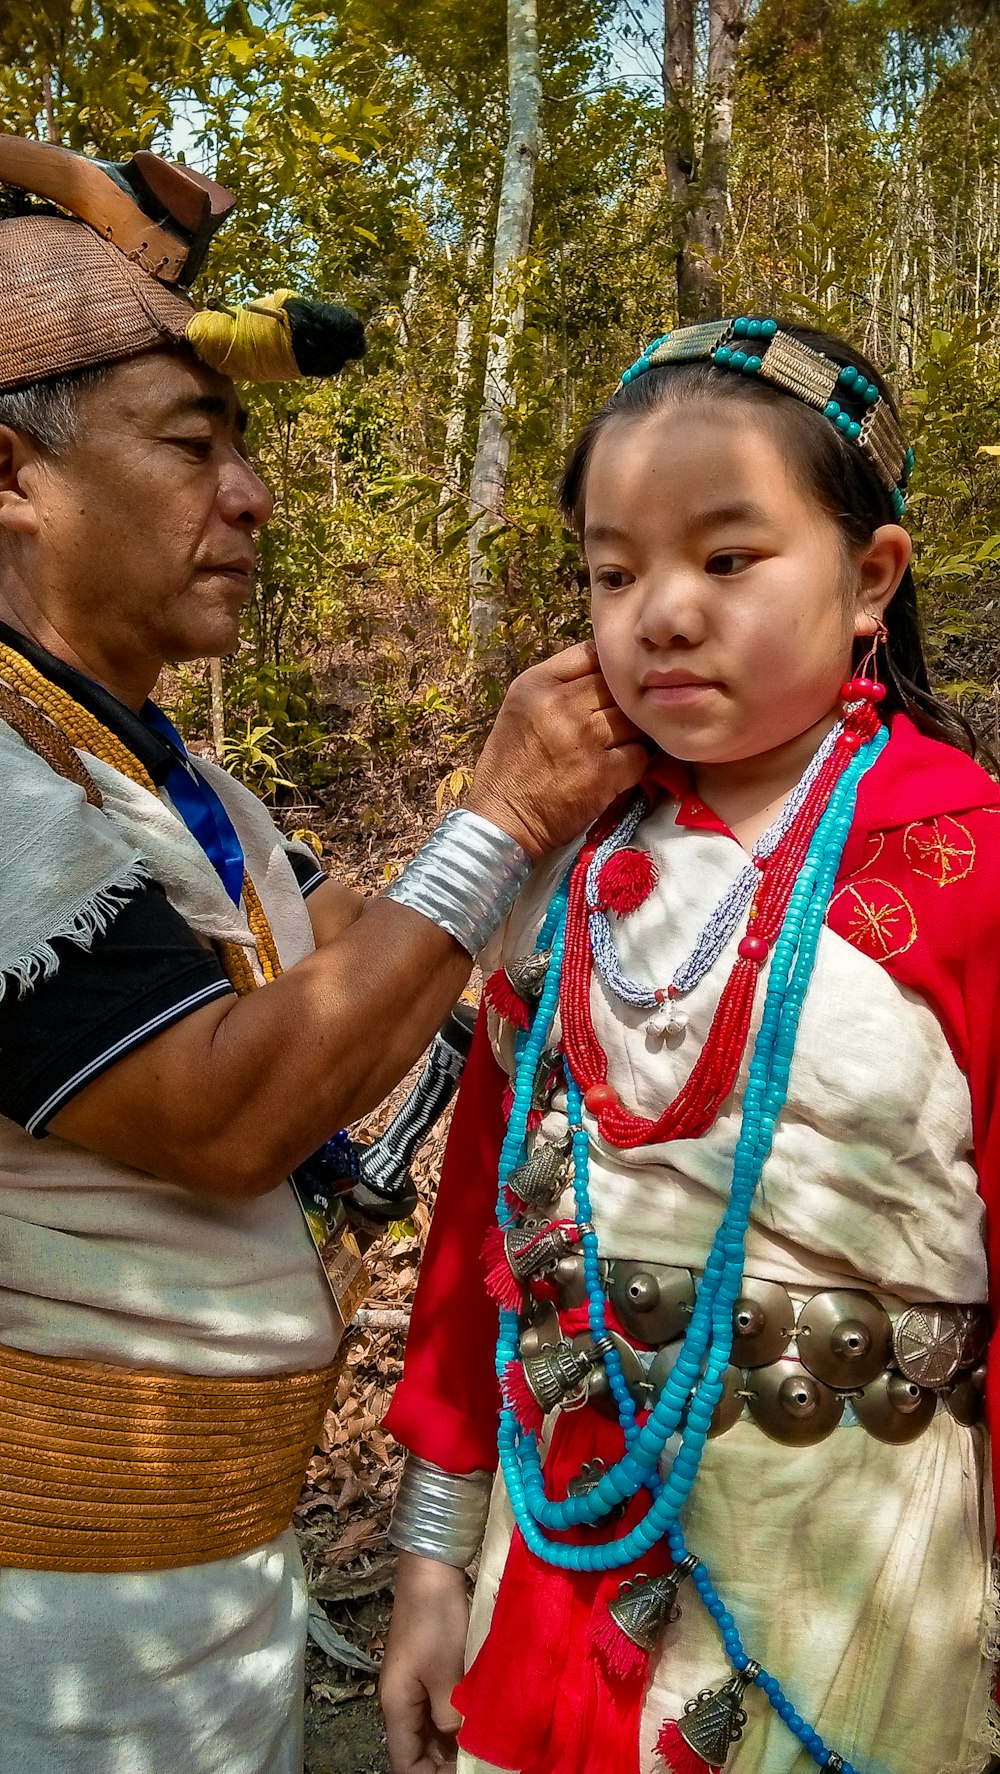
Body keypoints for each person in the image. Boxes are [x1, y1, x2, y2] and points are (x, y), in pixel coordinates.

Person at [0, 133, 648, 1774]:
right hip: (56, 1646)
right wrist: (501, 810)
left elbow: (340, 944)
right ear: (13, 477)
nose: (249, 495)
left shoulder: (161, 769)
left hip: (214, 1596)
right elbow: (231, 1111)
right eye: (189, 442)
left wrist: (571, 837)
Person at [380, 316, 1000, 1774]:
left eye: (727, 559)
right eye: (613, 571)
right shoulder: (570, 873)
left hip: (865, 1580)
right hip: (562, 1564)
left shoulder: (967, 864)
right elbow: (480, 1235)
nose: (660, 611)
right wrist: (429, 1558)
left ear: (871, 580)